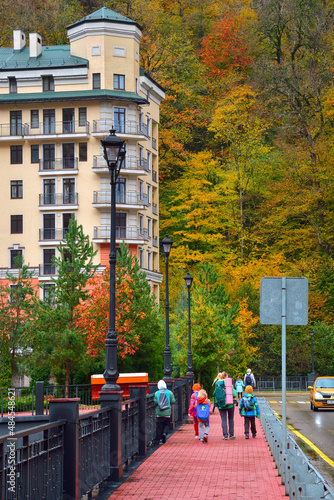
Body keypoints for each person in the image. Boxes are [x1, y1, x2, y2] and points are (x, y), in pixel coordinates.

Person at [213, 372, 237, 440]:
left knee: (223, 420)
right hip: (230, 404)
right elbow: (234, 394)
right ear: (226, 376)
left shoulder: (218, 384)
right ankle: (231, 434)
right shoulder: (229, 384)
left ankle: (225, 435)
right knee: (231, 419)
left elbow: (215, 394)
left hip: (221, 405)